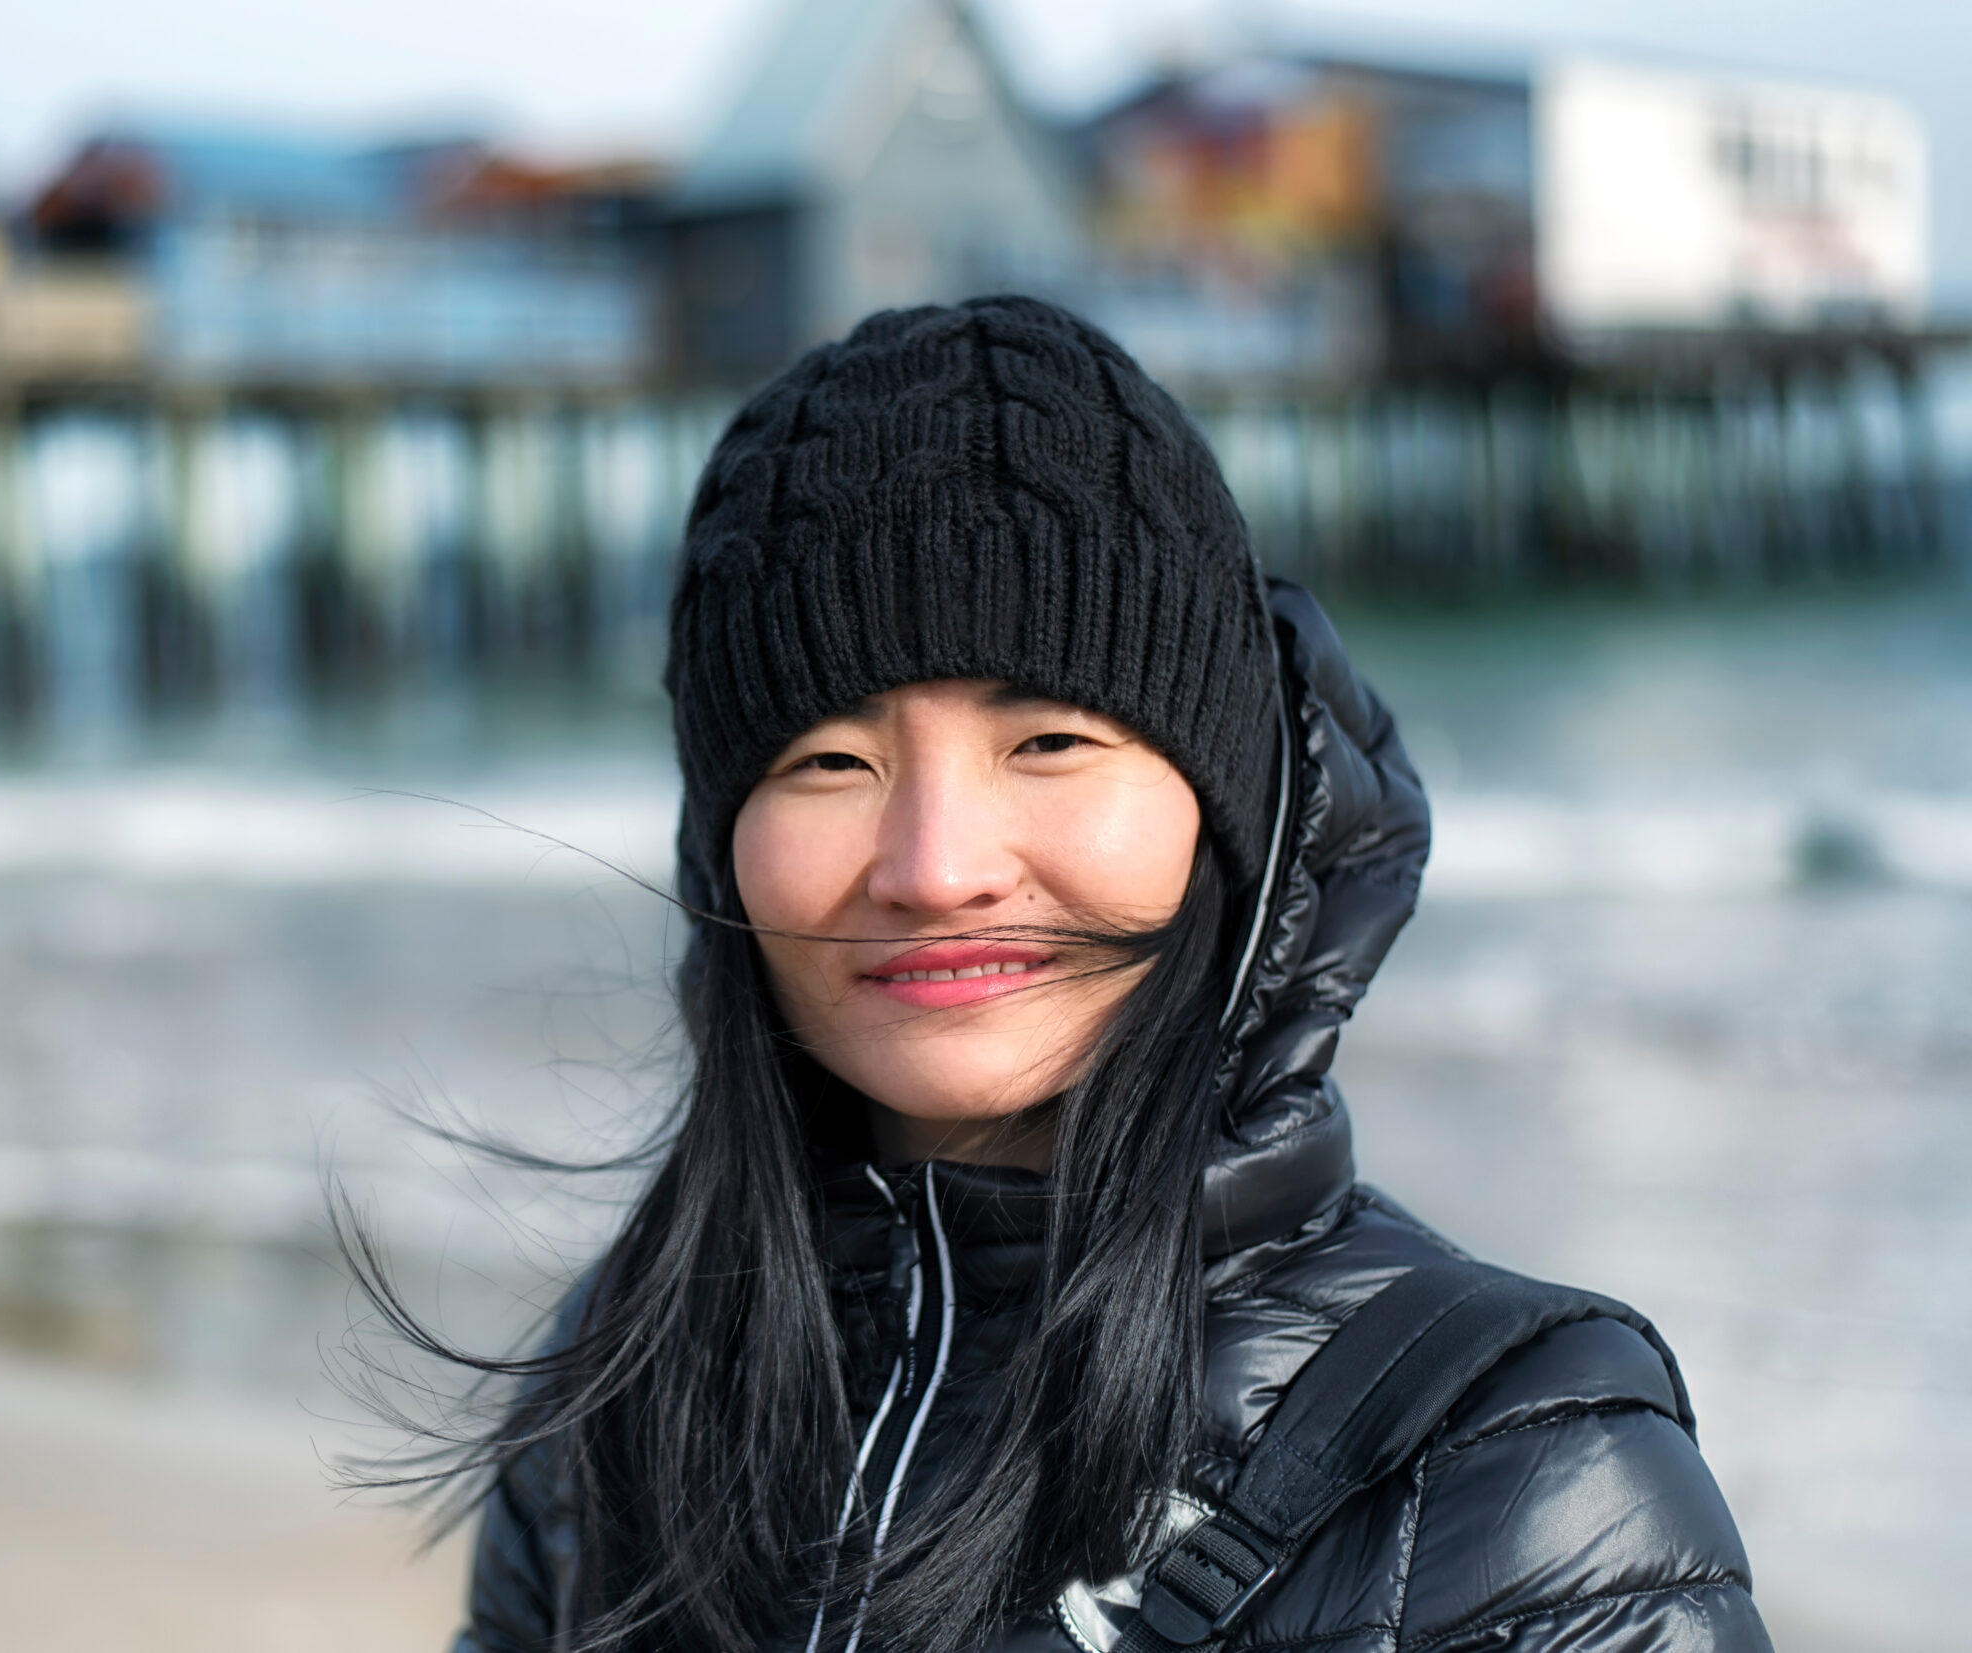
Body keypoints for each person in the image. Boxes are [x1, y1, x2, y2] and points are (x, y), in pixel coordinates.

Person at [439, 298, 1767, 1653]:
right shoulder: (614, 1397)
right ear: (722, 856)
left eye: (1052, 740)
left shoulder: (1521, 1474)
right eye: (830, 760)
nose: (936, 866)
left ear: (1225, 807)